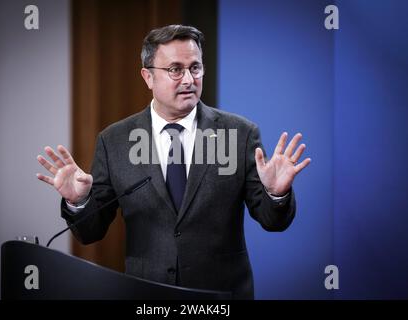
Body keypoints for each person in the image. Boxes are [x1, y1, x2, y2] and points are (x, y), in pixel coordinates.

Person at [36, 25, 310, 299]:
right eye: (175, 70)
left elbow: (273, 221)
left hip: (221, 296)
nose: (189, 79)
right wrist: (79, 202)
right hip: (147, 296)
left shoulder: (239, 134)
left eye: (195, 68)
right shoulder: (115, 140)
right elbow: (90, 232)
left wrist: (275, 194)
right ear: (148, 77)